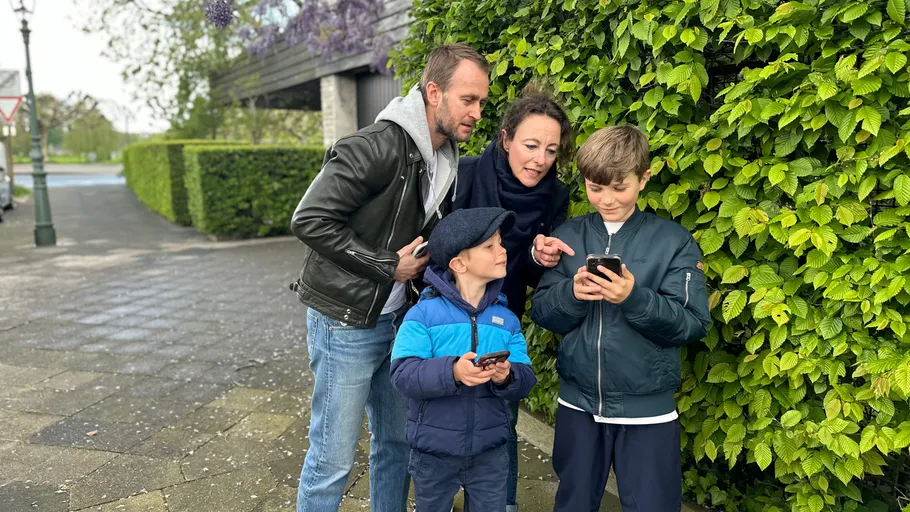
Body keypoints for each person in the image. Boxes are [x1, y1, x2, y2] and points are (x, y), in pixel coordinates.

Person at [288, 44, 490, 512]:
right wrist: (386, 266)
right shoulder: (376, 145)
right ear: (434, 92)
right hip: (345, 324)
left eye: (481, 101)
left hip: (398, 321)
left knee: (397, 447)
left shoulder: (445, 157)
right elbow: (309, 219)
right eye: (469, 100)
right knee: (332, 460)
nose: (478, 112)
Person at [530, 125, 711, 511]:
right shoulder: (570, 235)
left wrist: (634, 299)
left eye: (619, 187)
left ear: (644, 179)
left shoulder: (673, 240)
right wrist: (572, 294)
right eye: (595, 188)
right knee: (574, 503)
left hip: (648, 410)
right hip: (578, 404)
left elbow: (693, 322)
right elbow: (543, 312)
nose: (606, 199)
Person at [445, 85, 574, 512]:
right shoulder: (464, 173)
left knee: (501, 424)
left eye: (551, 150)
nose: (540, 160)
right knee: (440, 425)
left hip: (503, 323)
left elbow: (539, 276)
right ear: (505, 138)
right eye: (531, 145)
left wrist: (541, 256)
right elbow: (436, 246)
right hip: (445, 321)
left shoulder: (555, 196)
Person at [390, 207, 537, 512]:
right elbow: (403, 373)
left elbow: (526, 377)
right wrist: (453, 371)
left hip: (490, 452)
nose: (502, 251)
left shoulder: (506, 319)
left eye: (500, 243)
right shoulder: (422, 315)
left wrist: (507, 376)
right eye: (489, 246)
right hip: (433, 452)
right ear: (458, 263)